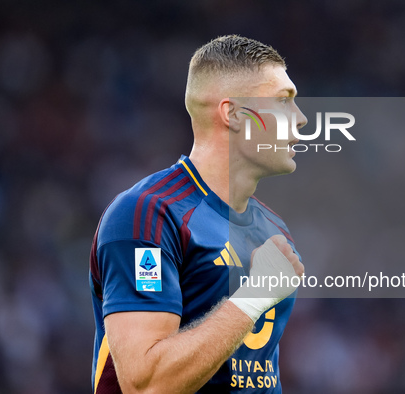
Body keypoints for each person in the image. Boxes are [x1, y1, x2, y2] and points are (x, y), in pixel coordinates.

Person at [89, 35, 307, 393]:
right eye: (284, 101)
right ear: (233, 114)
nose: (300, 119)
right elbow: (146, 385)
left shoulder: (273, 229)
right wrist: (255, 296)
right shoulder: (148, 215)